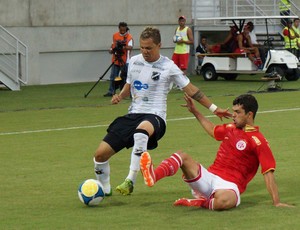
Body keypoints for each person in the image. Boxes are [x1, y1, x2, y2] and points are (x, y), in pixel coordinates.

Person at [93, 27, 231, 196]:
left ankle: (130, 180)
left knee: (141, 133)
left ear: (159, 45)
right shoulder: (134, 61)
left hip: (155, 117)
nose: (145, 51)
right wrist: (120, 96)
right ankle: (104, 188)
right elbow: (129, 85)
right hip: (132, 115)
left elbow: (192, 89)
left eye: (149, 48)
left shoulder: (168, 66)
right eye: (142, 47)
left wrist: (214, 109)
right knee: (100, 155)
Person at [140, 93, 294, 210]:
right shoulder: (229, 128)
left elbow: (268, 172)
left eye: (238, 112)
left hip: (229, 186)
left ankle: (200, 202)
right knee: (183, 157)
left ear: (249, 115)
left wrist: (277, 201)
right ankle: (154, 175)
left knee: (226, 201)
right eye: (233, 111)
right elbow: (212, 130)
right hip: (209, 177)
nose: (233, 114)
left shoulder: (258, 140)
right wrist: (195, 111)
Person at [103, 22, 133, 97]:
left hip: (125, 60)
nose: (123, 31)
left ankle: (125, 92)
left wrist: (123, 47)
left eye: (124, 29)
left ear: (126, 28)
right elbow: (113, 44)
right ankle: (111, 91)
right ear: (119, 28)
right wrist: (111, 49)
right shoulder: (115, 35)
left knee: (124, 77)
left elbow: (130, 47)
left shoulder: (129, 37)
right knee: (113, 76)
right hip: (115, 59)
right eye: (121, 29)